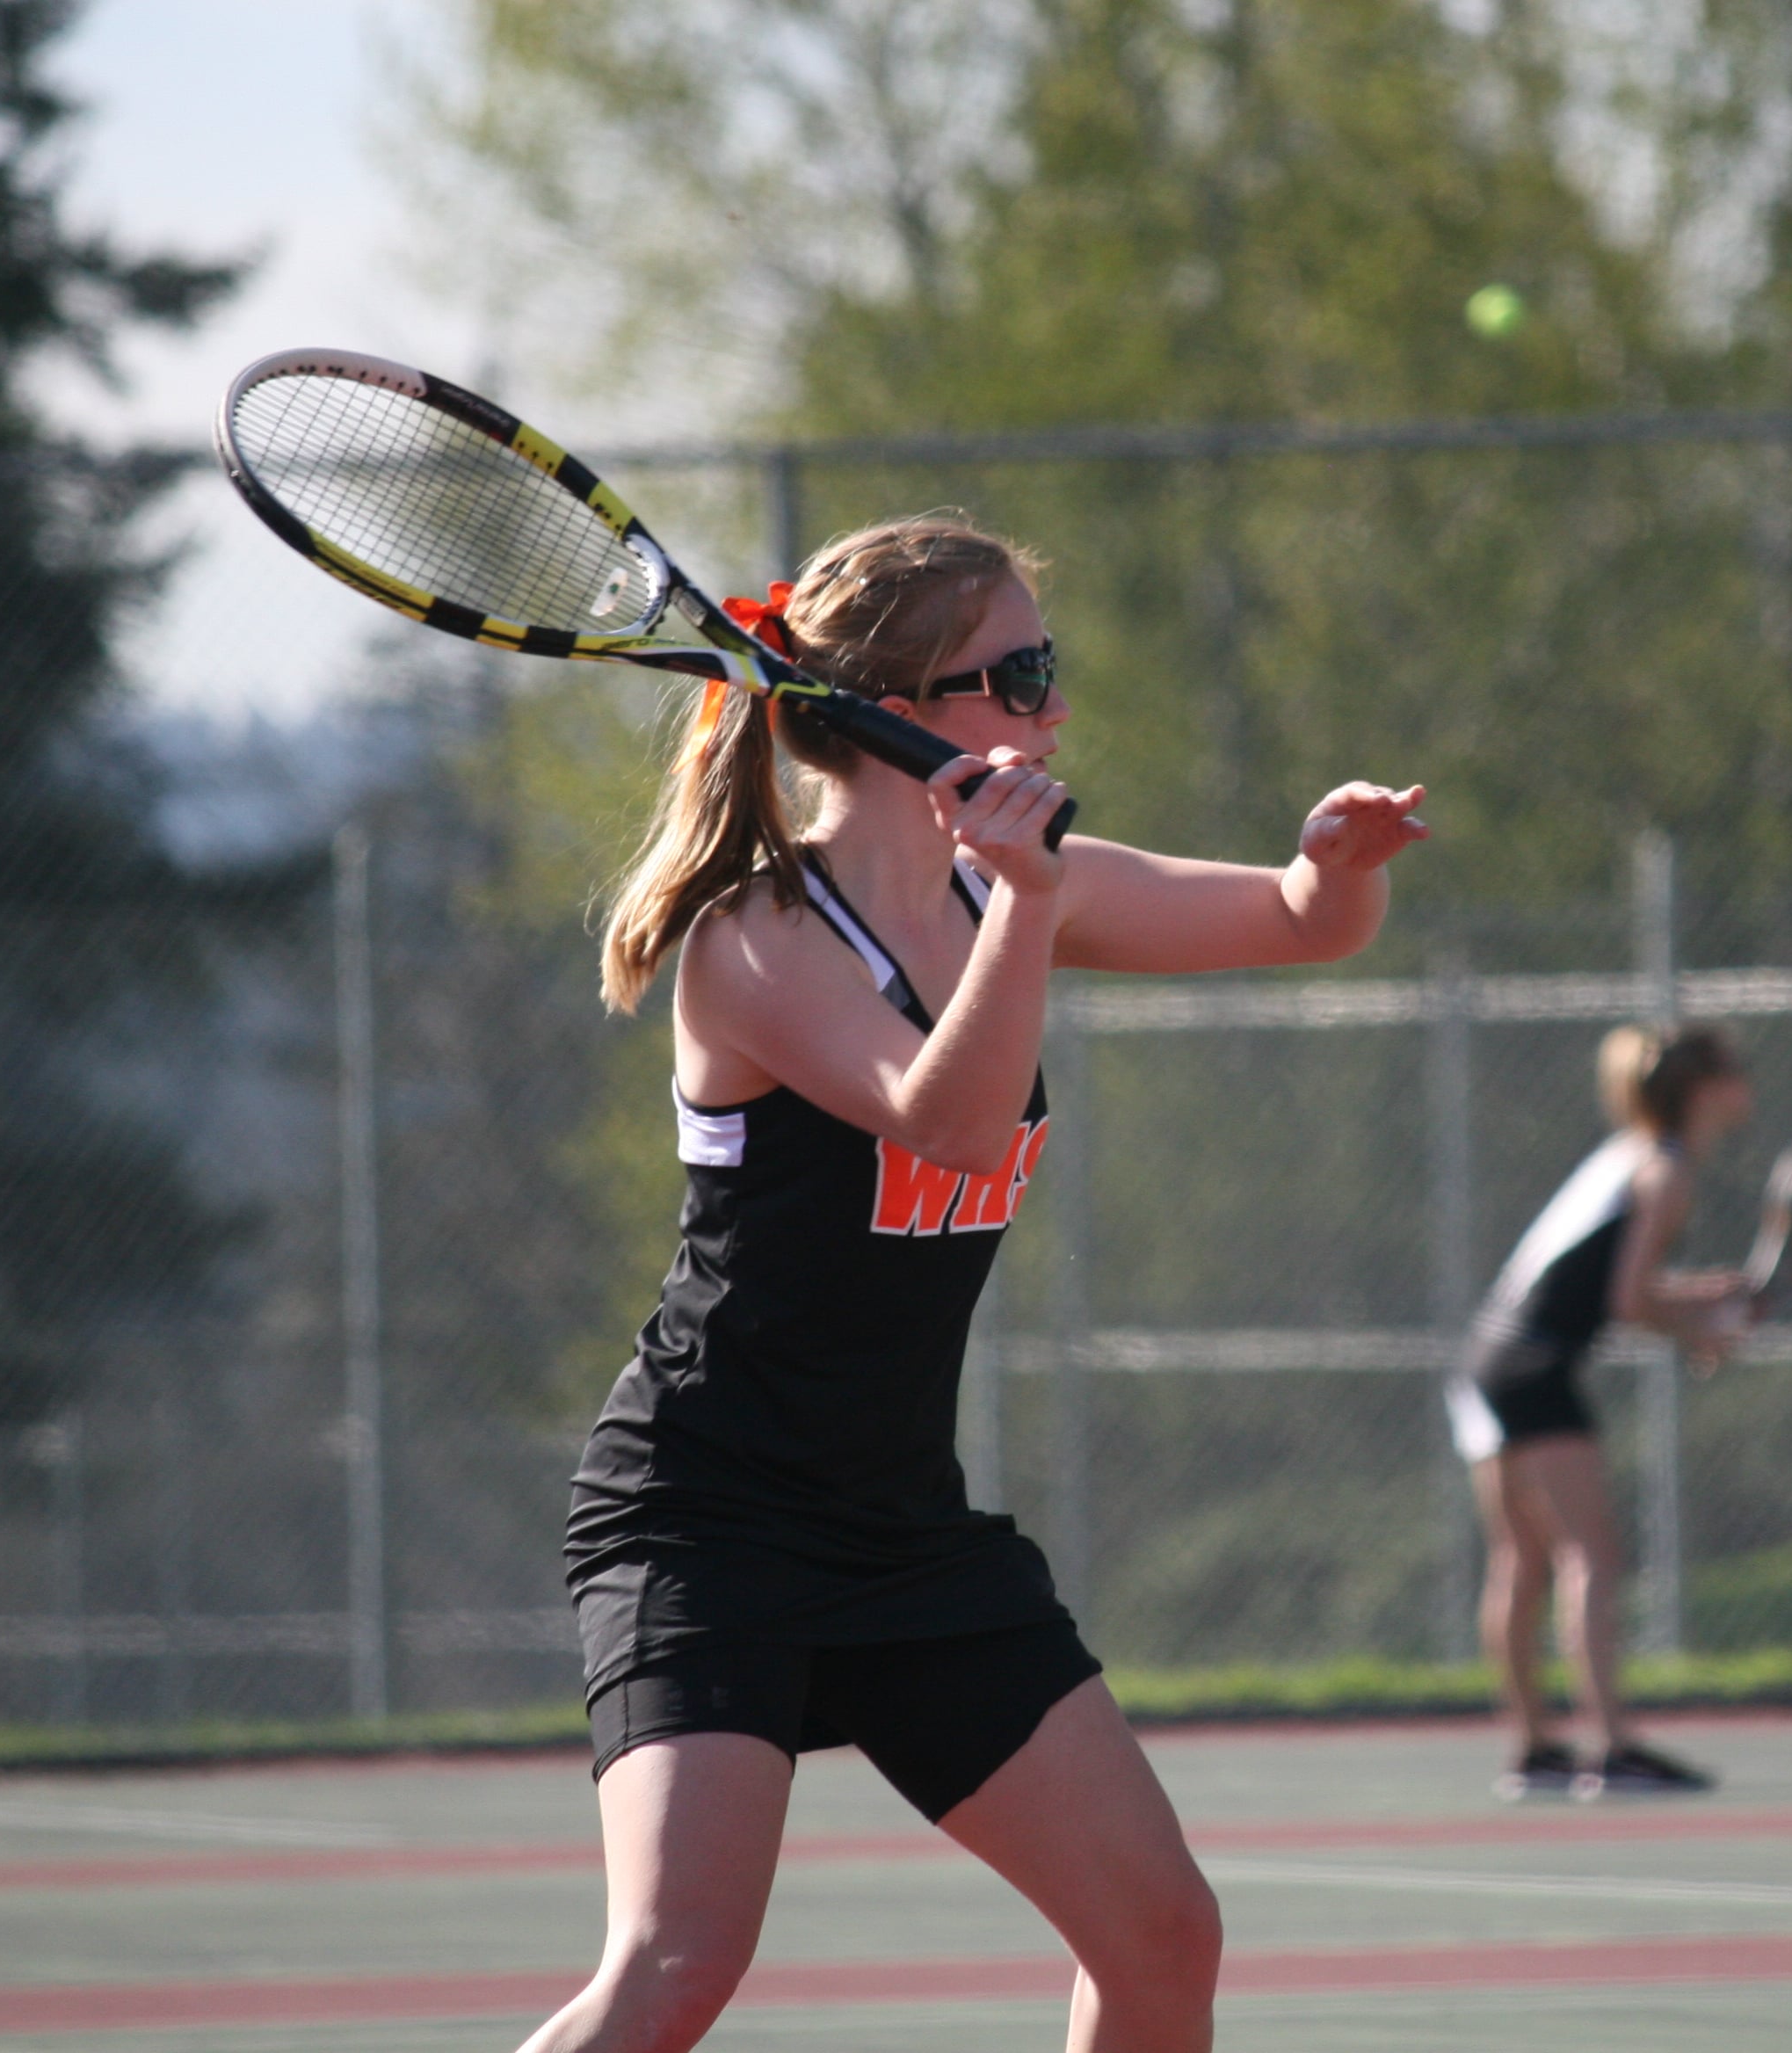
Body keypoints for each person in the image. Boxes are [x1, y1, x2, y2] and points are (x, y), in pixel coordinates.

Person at [535, 515, 1426, 2053]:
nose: (1049, 709)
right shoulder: (752, 937)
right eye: (1014, 674)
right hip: (706, 1517)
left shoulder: (1017, 889)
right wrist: (1020, 899)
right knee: (675, 1965)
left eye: (1045, 664)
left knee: (1160, 1934)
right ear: (892, 708)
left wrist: (1331, 862)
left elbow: (1299, 923)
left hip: (898, 1530)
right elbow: (943, 1119)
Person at [1450, 1020, 1752, 1802]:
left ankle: (1535, 1751)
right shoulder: (1668, 1172)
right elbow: (1624, 1302)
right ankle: (1614, 1748)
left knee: (1521, 1561)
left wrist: (1700, 1298)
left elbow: (1595, 1284)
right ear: (1704, 1091)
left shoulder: (1626, 1159)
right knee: (1592, 1555)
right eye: (1734, 1071)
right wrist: (1697, 1332)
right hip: (1536, 1363)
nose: (1746, 1082)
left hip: (1488, 1358)